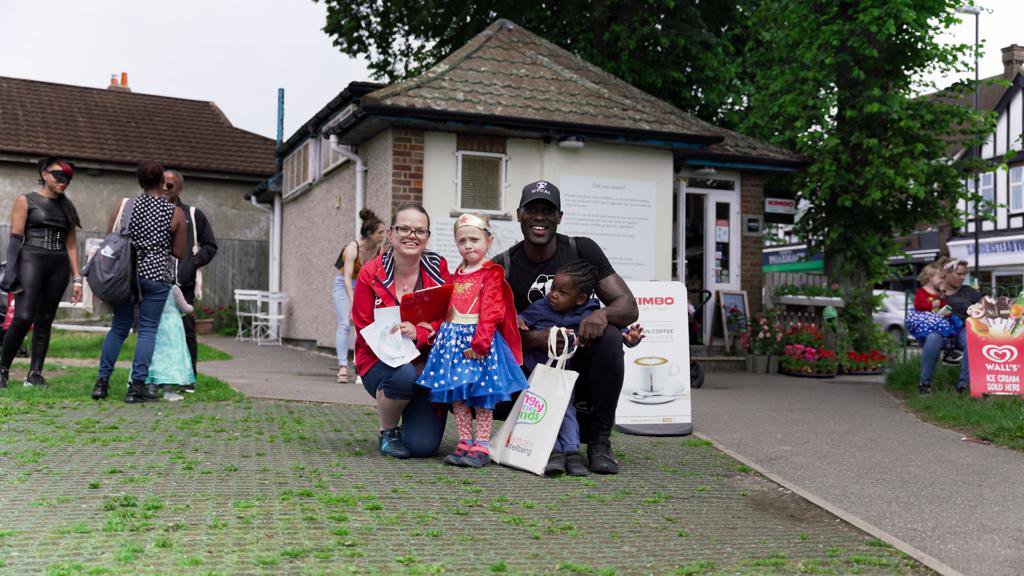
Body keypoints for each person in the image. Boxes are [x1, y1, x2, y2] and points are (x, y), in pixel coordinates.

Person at [496, 180, 639, 474]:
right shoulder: (505, 266)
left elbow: (628, 306)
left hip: (581, 368)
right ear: (519, 215)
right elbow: (495, 331)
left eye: (547, 211)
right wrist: (536, 338)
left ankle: (600, 441)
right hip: (535, 374)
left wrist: (603, 315)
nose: (539, 217)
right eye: (531, 210)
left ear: (559, 217)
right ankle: (538, 436)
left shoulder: (581, 250)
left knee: (611, 337)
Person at [415, 213, 528, 468]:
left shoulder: (492, 274)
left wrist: (481, 342)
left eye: (474, 239)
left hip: (478, 344)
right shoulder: (458, 273)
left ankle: (482, 444)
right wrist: (435, 327)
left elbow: (492, 310)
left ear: (488, 241)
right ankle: (464, 441)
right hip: (452, 341)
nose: (468, 245)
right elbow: (448, 307)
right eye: (462, 240)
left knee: (481, 396)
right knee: (458, 395)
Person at [519, 260, 644, 477]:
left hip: (571, 375)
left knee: (566, 410)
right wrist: (519, 321)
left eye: (562, 292)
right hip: (542, 375)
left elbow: (619, 333)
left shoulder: (591, 311)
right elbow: (523, 320)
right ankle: (557, 452)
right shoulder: (541, 308)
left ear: (580, 299)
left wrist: (630, 338)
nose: (553, 295)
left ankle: (569, 452)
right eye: (553, 288)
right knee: (549, 410)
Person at [352, 203, 451, 459]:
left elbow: (450, 316)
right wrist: (405, 357)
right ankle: (387, 431)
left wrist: (422, 333)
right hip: (379, 361)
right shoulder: (370, 273)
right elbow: (364, 325)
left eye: (420, 231)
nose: (412, 235)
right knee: (403, 375)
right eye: (404, 228)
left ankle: (409, 409)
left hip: (425, 362)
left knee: (422, 448)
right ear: (391, 234)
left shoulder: (439, 269)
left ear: (427, 237)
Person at [91, 161, 187, 403]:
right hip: (156, 277)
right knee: (147, 330)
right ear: (162, 183)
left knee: (119, 327)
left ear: (139, 182)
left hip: (126, 275)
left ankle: (101, 384)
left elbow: (111, 238)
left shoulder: (126, 206)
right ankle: (136, 388)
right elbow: (179, 253)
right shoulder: (174, 213)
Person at [0, 157, 82, 388]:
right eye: (58, 175)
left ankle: (35, 373)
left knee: (45, 320)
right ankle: (3, 369)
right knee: (24, 317)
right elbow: (16, 239)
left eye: (67, 177)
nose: (63, 181)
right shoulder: (25, 200)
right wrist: (11, 271)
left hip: (59, 266)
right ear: (44, 174)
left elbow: (72, 245)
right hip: (31, 260)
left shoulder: (67, 207)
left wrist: (78, 280)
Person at [162, 170, 217, 391]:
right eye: (162, 185)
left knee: (186, 332)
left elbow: (211, 246)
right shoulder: (152, 211)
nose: (165, 189)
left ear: (179, 188)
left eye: (170, 186)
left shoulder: (193, 215)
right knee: (157, 332)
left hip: (182, 285)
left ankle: (188, 378)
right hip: (156, 283)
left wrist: (192, 263)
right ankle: (159, 377)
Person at [334, 209, 385, 383]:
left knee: (362, 327)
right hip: (345, 286)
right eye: (380, 232)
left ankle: (360, 367)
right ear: (369, 233)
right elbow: (347, 279)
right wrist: (353, 303)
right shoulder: (352, 248)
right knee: (345, 324)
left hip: (364, 286)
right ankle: (342, 366)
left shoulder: (379, 250)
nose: (383, 235)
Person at [918, 257, 980, 394]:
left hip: (962, 329)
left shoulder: (969, 291)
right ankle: (924, 384)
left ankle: (963, 386)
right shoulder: (933, 291)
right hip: (939, 330)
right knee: (933, 338)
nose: (963, 277)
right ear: (946, 273)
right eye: (959, 274)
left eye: (965, 274)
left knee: (971, 339)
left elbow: (985, 306)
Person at [145, 284, 195, 396]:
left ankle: (151, 385)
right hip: (172, 326)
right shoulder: (174, 288)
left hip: (154, 322)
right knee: (171, 355)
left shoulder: (152, 286)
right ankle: (167, 385)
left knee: (155, 355)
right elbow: (185, 307)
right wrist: (191, 309)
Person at [907, 262, 963, 361]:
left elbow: (942, 304)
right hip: (927, 319)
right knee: (939, 333)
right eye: (940, 278)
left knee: (953, 327)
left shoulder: (939, 292)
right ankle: (933, 347)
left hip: (938, 316)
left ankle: (949, 352)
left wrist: (946, 309)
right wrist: (931, 305)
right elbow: (918, 305)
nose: (942, 280)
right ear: (930, 278)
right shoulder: (922, 292)